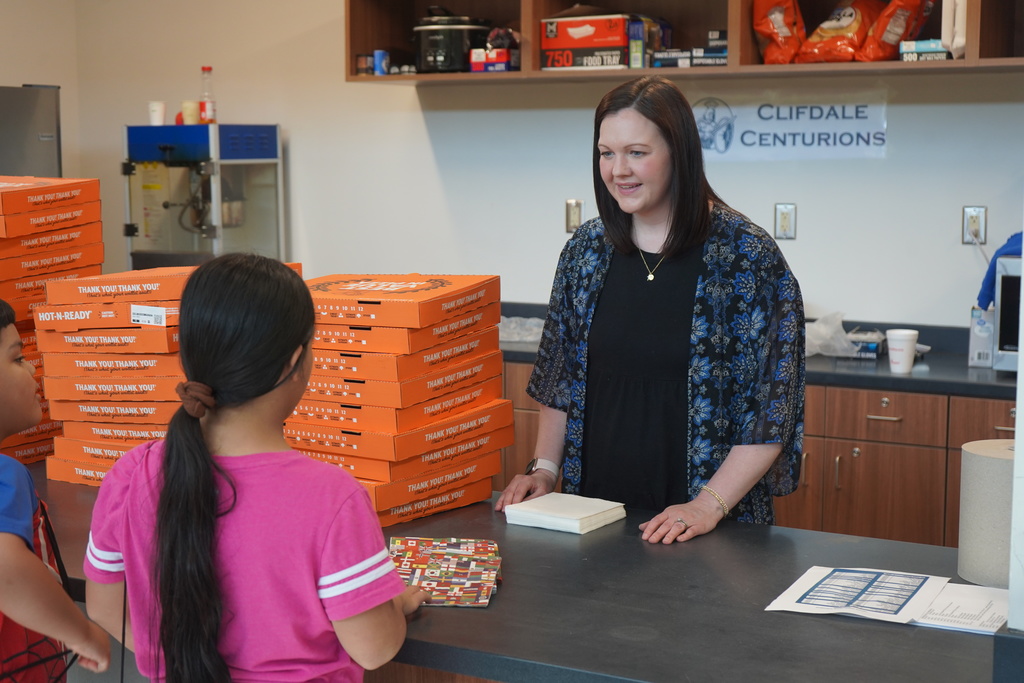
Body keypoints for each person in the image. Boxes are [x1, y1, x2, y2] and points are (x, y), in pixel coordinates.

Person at [83, 254, 427, 682]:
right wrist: (394, 605)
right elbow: (375, 648)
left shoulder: (133, 473)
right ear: (295, 362)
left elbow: (103, 607)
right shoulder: (332, 498)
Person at [496, 76, 805, 545]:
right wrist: (544, 470)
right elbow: (561, 380)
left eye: (637, 152)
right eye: (606, 153)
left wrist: (706, 506)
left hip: (705, 527)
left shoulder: (748, 257)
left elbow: (771, 411)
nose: (619, 169)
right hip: (593, 515)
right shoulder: (585, 251)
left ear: (678, 152)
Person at [0, 298, 111, 680]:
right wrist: (82, 634)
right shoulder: (6, 475)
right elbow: (6, 569)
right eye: (16, 359)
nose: (32, 369)